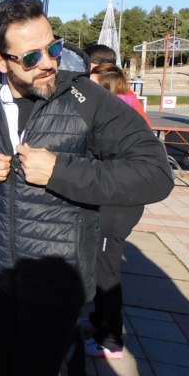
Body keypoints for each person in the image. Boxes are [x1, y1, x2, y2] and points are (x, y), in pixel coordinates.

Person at [0, 0, 174, 376]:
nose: (48, 63)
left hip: (56, 276)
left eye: (53, 47)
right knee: (1, 365)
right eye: (30, 57)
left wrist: (61, 170)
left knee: (34, 374)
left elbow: (156, 173)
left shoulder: (87, 99)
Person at [78, 63, 149, 358]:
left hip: (119, 203)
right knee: (101, 264)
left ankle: (110, 340)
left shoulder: (117, 118)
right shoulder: (124, 108)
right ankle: (99, 321)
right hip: (116, 198)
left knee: (106, 271)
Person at [84, 44, 149, 122]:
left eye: (87, 66)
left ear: (101, 67)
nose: (84, 70)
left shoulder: (117, 100)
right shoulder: (124, 93)